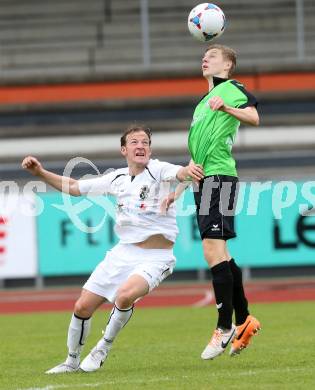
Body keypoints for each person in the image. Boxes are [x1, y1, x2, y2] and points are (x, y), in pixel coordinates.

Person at [22, 125, 200, 374]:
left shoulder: (159, 170)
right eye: (135, 142)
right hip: (123, 253)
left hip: (156, 257)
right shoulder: (116, 178)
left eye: (145, 142)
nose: (141, 146)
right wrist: (40, 172)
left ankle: (103, 347)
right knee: (82, 307)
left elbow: (181, 173)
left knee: (124, 296)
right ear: (124, 150)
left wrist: (188, 171)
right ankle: (71, 361)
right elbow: (74, 188)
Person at [169, 44, 261, 360]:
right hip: (204, 180)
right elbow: (197, 154)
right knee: (221, 251)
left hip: (220, 177)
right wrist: (177, 188)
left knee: (211, 249)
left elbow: (254, 117)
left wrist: (226, 109)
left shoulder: (232, 89)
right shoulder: (202, 103)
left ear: (228, 64)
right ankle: (244, 318)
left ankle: (224, 328)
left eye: (213, 55)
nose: (205, 58)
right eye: (204, 55)